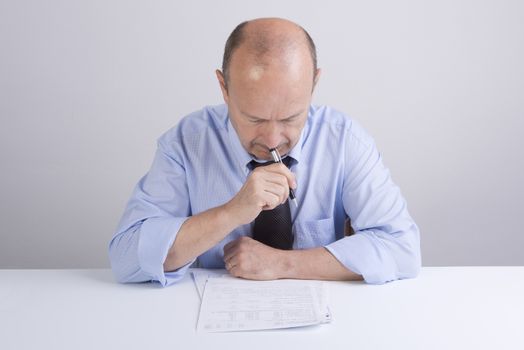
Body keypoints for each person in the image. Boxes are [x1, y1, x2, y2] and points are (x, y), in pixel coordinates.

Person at [109, 18, 421, 287]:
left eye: (290, 118)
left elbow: (402, 249)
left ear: (313, 84)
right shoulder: (185, 143)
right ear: (224, 87)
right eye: (254, 118)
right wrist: (231, 212)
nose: (272, 139)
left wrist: (283, 264)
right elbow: (125, 258)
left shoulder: (345, 141)